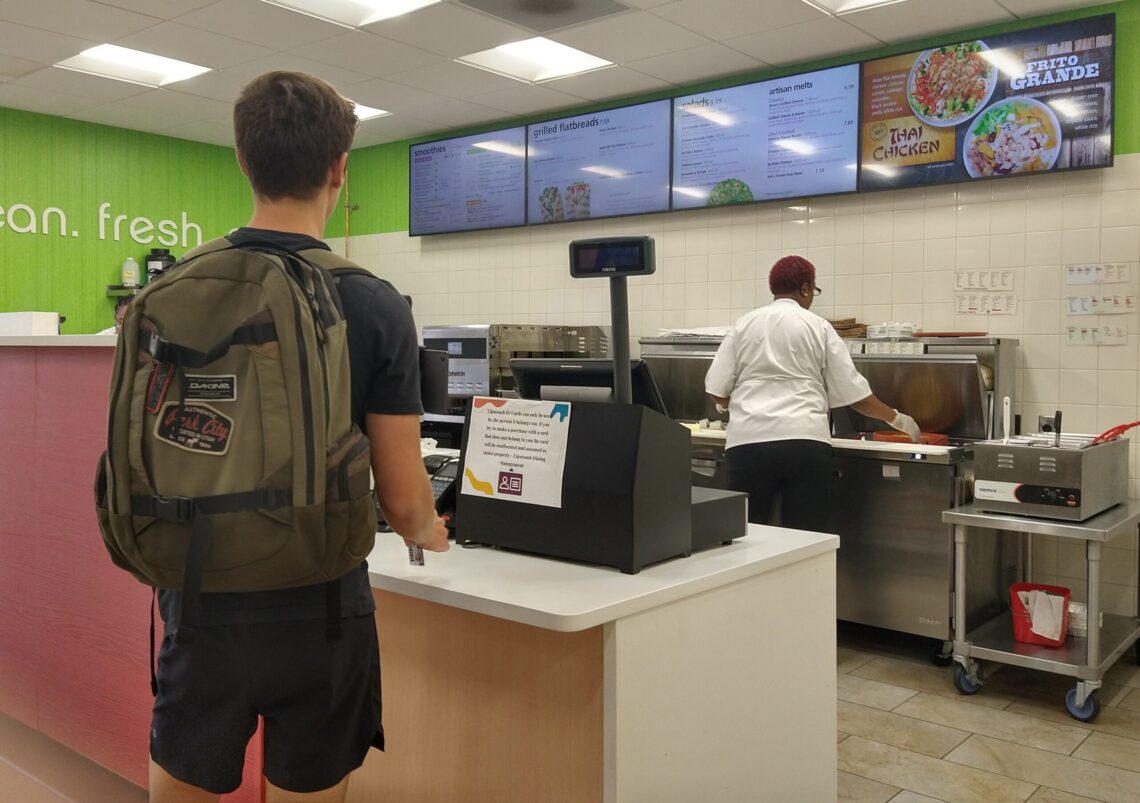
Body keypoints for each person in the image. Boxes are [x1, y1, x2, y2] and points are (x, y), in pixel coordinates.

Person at [148, 71, 450, 802]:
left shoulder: (174, 288)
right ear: (339, 168)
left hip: (200, 590)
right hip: (320, 604)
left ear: (241, 159)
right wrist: (436, 532)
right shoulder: (375, 304)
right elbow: (406, 501)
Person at [705, 254, 920, 533]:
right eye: (814, 290)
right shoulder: (818, 327)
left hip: (747, 445)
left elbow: (717, 392)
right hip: (804, 445)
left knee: (743, 537)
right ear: (805, 288)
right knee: (806, 541)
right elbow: (856, 397)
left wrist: (739, 408)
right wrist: (898, 420)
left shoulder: (744, 325)